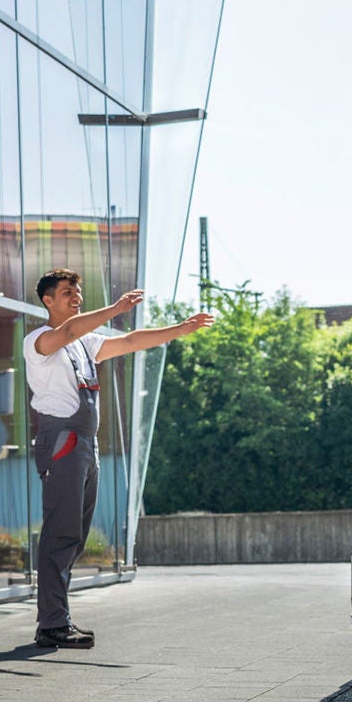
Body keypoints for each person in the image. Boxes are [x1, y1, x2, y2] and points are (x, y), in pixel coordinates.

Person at [25, 269, 213, 648]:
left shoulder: (84, 343)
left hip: (84, 443)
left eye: (78, 291)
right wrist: (115, 308)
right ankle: (52, 624)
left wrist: (180, 329)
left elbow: (130, 341)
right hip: (61, 441)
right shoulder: (39, 340)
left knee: (75, 536)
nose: (77, 297)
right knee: (61, 533)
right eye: (67, 292)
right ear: (48, 300)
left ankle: (57, 617)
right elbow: (67, 332)